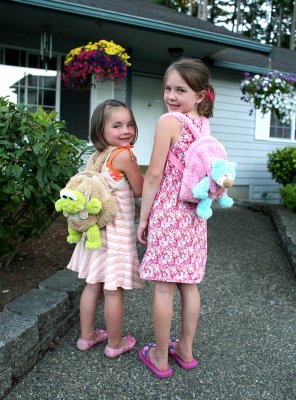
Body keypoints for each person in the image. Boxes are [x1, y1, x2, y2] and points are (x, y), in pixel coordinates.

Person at [137, 58, 215, 378]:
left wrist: (143, 218)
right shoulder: (204, 125)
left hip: (169, 212)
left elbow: (154, 174)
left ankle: (159, 356)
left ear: (200, 94)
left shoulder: (169, 121)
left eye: (180, 90)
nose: (171, 95)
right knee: (189, 284)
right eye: (168, 88)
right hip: (196, 215)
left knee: (164, 288)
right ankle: (185, 348)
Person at [68, 99, 144, 357]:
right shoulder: (124, 155)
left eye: (130, 124)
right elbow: (140, 189)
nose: (126, 130)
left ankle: (86, 337)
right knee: (113, 289)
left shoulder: (96, 156)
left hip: (94, 232)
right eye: (117, 125)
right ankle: (115, 344)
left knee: (92, 285)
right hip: (116, 234)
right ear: (100, 130)